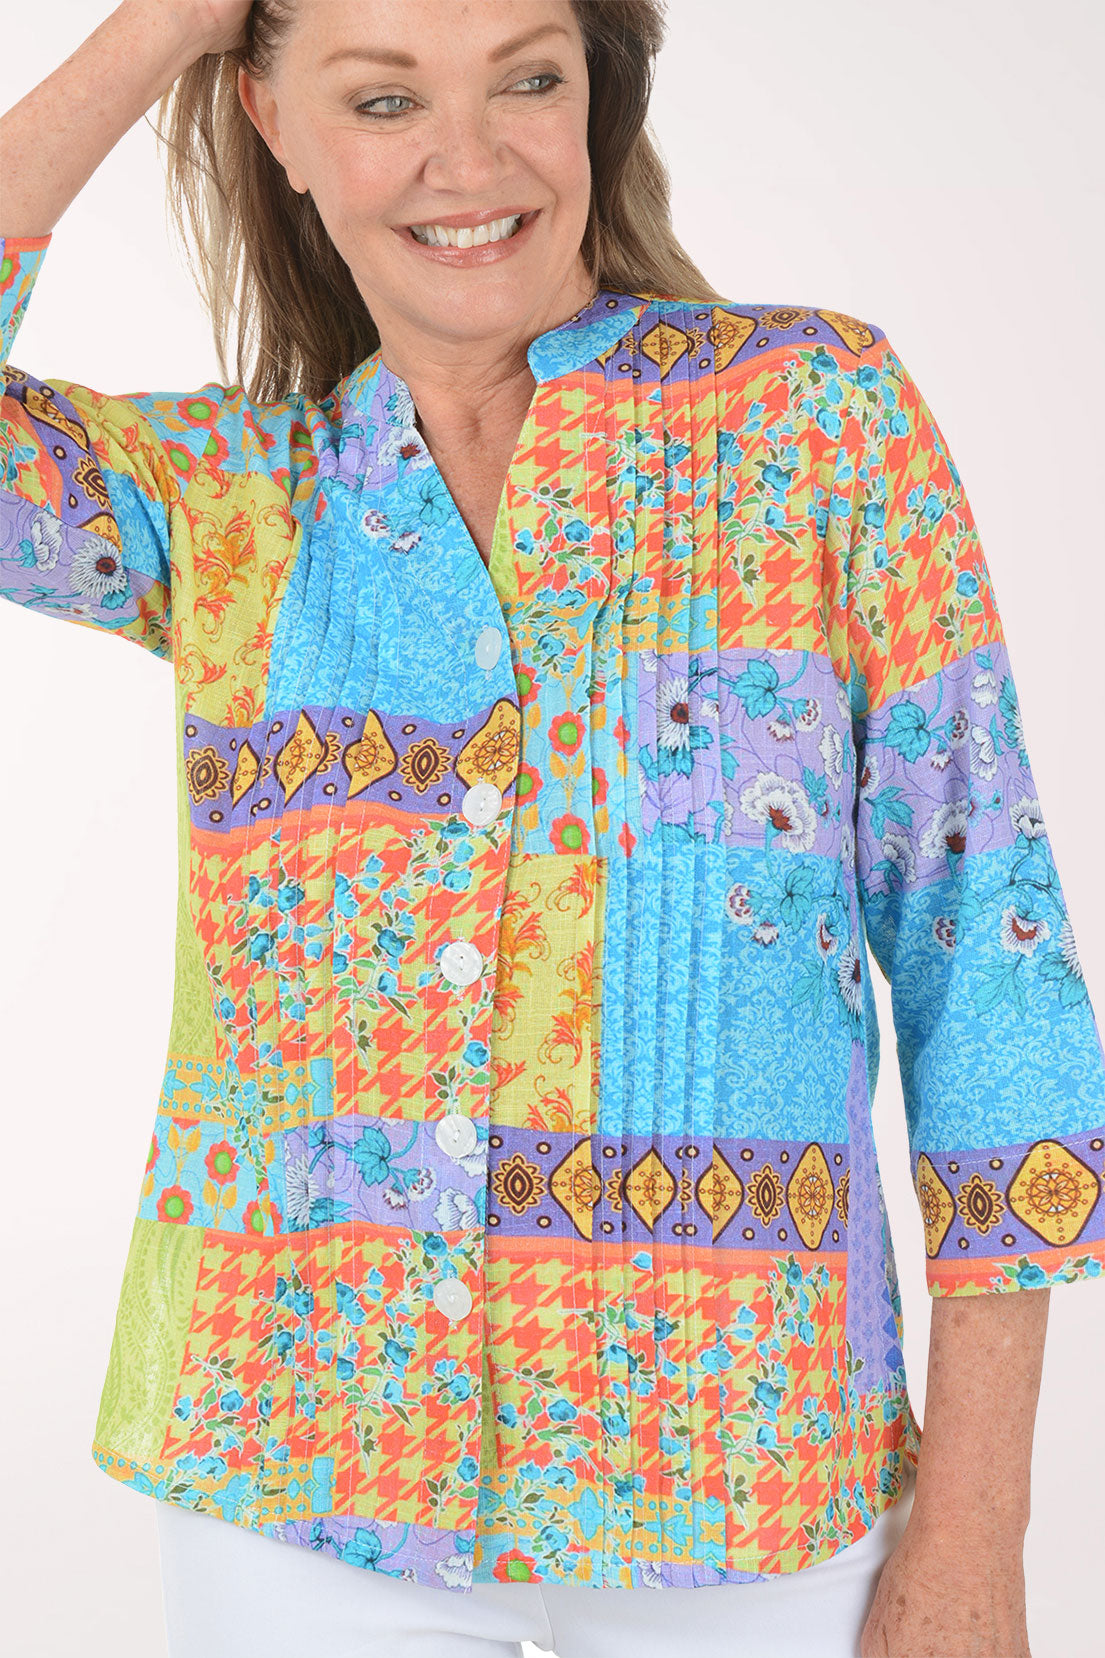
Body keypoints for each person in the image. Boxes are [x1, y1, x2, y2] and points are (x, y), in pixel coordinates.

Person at [2, 2, 1102, 1655]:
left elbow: (990, 967)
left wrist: (974, 1526)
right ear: (272, 124)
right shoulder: (226, 501)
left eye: (526, 77)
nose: (470, 160)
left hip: (744, 1478)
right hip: (298, 1472)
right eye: (383, 100)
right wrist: (163, 23)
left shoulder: (815, 420)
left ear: (595, 93)